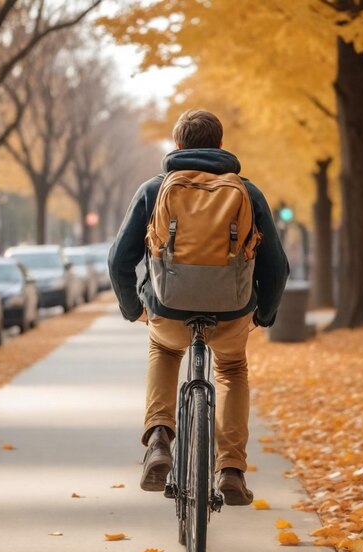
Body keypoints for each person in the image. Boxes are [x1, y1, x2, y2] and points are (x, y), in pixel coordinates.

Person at [109, 110, 289, 506]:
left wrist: (134, 308)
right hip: (231, 313)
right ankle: (231, 469)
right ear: (221, 146)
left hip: (168, 310)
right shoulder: (247, 191)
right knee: (232, 368)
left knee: (164, 348)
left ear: (177, 146)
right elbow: (277, 266)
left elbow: (118, 260)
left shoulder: (154, 189)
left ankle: (158, 438)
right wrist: (262, 315)